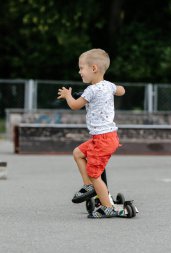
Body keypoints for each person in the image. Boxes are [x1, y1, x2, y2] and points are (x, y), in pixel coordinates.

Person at [57, 48, 126, 218]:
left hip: (102, 139)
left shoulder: (91, 90)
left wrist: (67, 95)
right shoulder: (109, 86)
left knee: (95, 174)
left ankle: (108, 206)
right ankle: (89, 186)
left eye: (81, 68)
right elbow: (121, 90)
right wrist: (118, 90)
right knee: (78, 153)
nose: (80, 72)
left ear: (93, 68)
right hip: (107, 137)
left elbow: (74, 105)